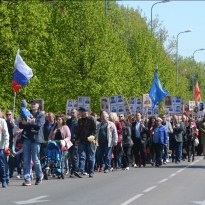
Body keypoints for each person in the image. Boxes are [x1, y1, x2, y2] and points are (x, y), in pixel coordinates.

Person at [19, 100, 45, 186]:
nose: (33, 105)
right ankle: (27, 179)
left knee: (35, 159)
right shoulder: (26, 112)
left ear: (38, 106)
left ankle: (39, 175)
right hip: (26, 138)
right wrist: (26, 122)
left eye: (35, 104)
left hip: (36, 139)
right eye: (32, 104)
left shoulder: (40, 114)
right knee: (26, 159)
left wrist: (29, 122)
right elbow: (21, 125)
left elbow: (38, 126)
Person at [76, 107, 97, 178]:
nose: (80, 113)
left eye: (81, 112)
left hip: (89, 140)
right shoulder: (80, 120)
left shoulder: (91, 119)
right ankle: (81, 171)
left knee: (90, 156)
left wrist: (93, 137)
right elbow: (78, 131)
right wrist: (76, 140)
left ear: (85, 112)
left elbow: (95, 130)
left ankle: (91, 171)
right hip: (82, 140)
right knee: (82, 156)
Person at [66, 109, 81, 178]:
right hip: (69, 140)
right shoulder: (68, 121)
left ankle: (74, 170)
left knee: (74, 156)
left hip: (75, 140)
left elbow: (79, 131)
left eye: (73, 112)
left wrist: (78, 139)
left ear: (77, 113)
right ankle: (72, 169)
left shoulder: (78, 121)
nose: (72, 113)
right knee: (70, 156)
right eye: (71, 112)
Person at [0, 108, 10, 188]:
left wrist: (6, 145)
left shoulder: (2, 121)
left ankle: (4, 180)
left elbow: (6, 134)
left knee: (2, 164)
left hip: (1, 146)